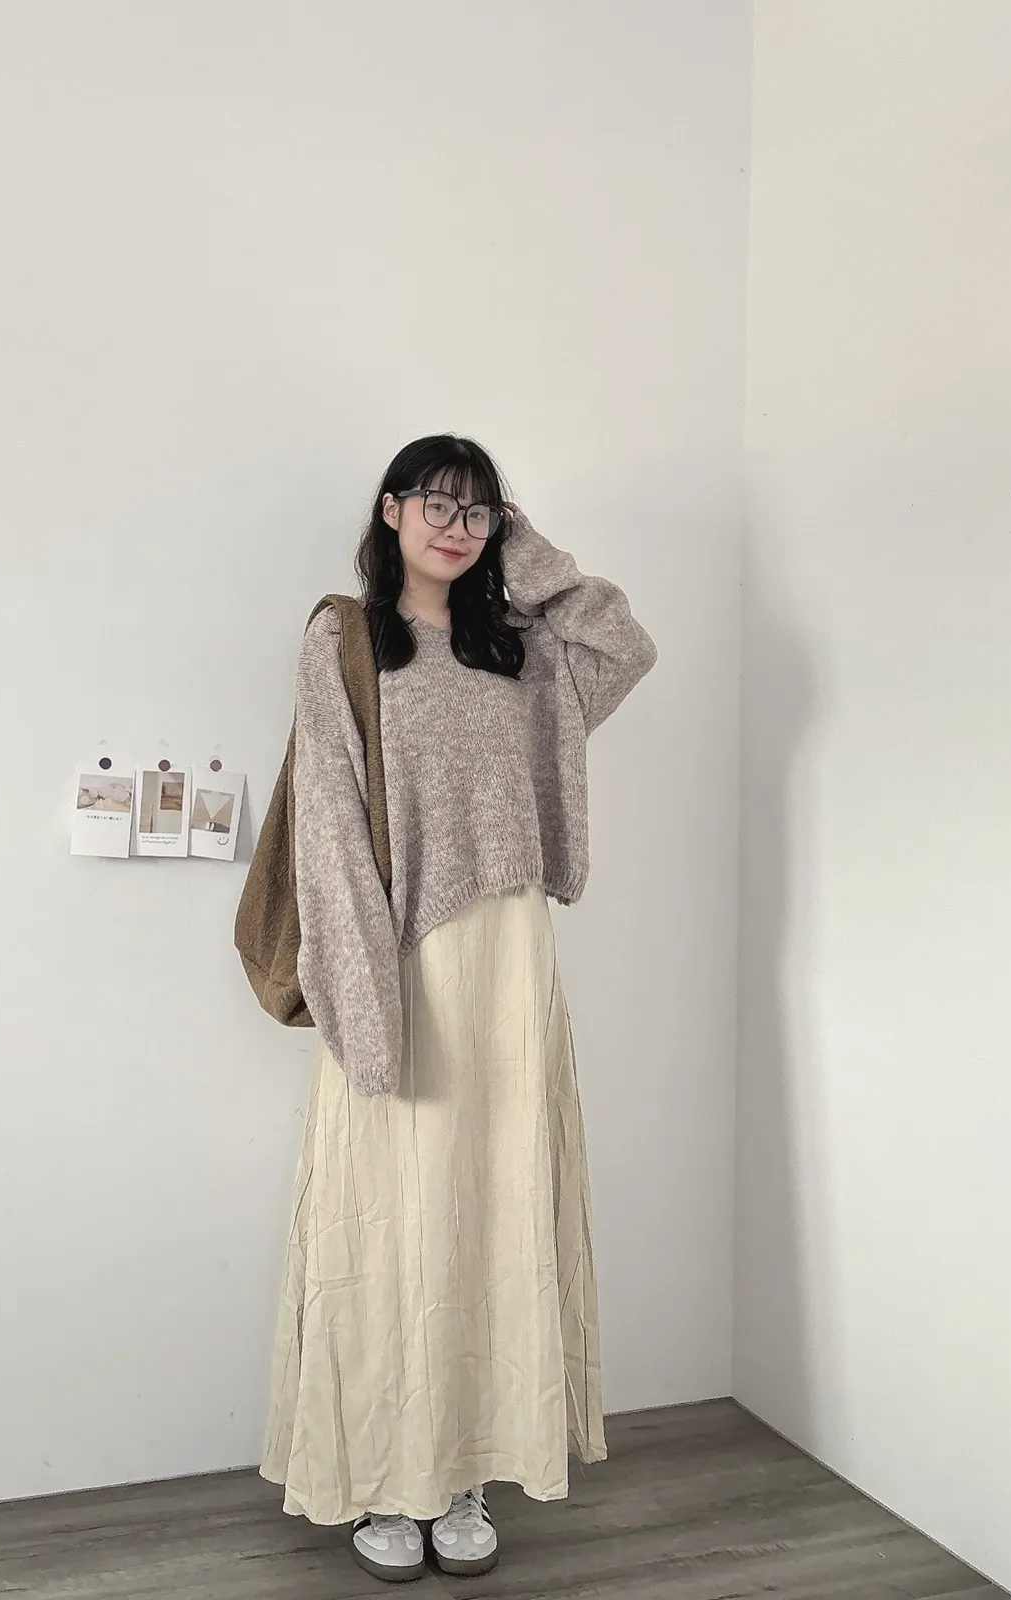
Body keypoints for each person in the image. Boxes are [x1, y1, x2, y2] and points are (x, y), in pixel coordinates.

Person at [258, 434, 657, 1583]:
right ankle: (392, 1473)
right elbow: (330, 821)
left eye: (479, 510)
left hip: (511, 956)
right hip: (395, 951)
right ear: (389, 510)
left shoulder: (522, 650)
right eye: (436, 501)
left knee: (495, 1206)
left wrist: (523, 549)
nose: (456, 525)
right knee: (389, 1215)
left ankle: (471, 1466)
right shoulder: (344, 638)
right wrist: (360, 992)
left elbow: (624, 644)